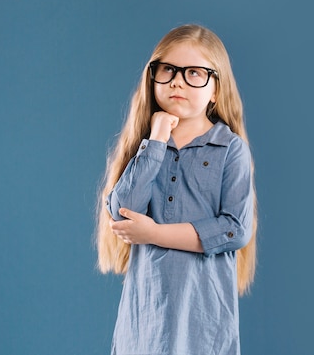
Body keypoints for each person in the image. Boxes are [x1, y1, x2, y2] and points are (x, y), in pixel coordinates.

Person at [96, 24, 257, 355]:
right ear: (152, 78)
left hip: (203, 320)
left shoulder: (229, 149)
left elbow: (235, 230)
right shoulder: (146, 147)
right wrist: (156, 140)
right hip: (145, 320)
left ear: (215, 89)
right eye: (167, 70)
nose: (178, 81)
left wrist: (154, 233)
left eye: (194, 72)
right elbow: (121, 211)